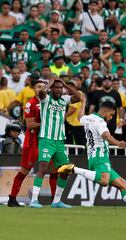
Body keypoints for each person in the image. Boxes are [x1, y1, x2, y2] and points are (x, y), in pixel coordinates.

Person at [58, 99, 126, 218]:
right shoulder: (100, 122)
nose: (110, 117)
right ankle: (73, 169)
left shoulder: (88, 118)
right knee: (104, 181)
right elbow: (106, 135)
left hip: (95, 156)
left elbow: (80, 117)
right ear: (105, 111)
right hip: (100, 156)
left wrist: (83, 102)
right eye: (111, 114)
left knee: (123, 185)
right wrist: (118, 143)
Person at [29, 78, 81, 208]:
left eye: (60, 88)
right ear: (51, 89)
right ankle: (33, 200)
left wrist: (65, 84)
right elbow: (41, 92)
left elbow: (79, 97)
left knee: (66, 170)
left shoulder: (64, 99)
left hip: (59, 141)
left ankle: (56, 201)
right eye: (56, 88)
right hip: (46, 139)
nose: (59, 90)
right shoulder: (45, 99)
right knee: (43, 167)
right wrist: (51, 82)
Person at [7, 80, 58, 207]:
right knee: (24, 170)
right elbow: (29, 124)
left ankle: (54, 200)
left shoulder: (50, 102)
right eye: (38, 86)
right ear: (34, 89)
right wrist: (46, 123)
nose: (41, 88)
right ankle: (12, 198)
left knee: (54, 169)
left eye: (43, 86)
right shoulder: (31, 104)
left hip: (47, 141)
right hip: (33, 142)